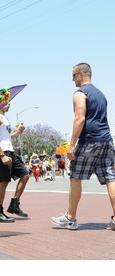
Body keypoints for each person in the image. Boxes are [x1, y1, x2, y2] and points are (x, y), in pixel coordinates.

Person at [51, 62, 115, 231]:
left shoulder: (80, 93)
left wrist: (72, 145)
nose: (72, 80)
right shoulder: (101, 94)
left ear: (80, 74)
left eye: (73, 76)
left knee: (76, 177)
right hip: (106, 140)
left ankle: (70, 218)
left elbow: (79, 118)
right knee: (110, 178)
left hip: (90, 141)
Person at [0, 102, 29, 223]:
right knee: (4, 181)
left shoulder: (5, 118)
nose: (9, 104)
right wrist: (2, 155)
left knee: (25, 175)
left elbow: (5, 136)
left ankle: (14, 205)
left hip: (10, 151)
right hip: (2, 152)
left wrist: (18, 132)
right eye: (7, 102)